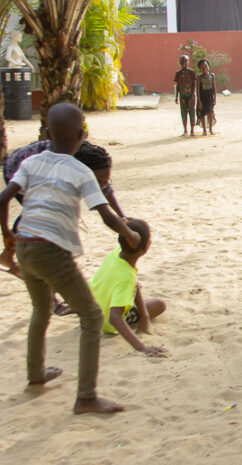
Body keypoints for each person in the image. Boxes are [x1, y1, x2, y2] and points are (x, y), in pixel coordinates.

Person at [0, 103, 140, 414]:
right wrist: (130, 235)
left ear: (47, 132)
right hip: (52, 253)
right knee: (91, 317)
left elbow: (4, 197)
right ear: (82, 134)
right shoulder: (80, 170)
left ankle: (36, 374)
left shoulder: (33, 162)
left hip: (25, 246)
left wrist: (7, 236)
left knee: (40, 311)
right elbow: (104, 213)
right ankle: (86, 397)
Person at [1, 140, 126, 314]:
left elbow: (104, 189)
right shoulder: (61, 168)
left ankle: (7, 256)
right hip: (16, 169)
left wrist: (122, 216)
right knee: (43, 228)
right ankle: (52, 301)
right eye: (99, 181)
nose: (102, 185)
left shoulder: (91, 161)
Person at [89, 218, 167, 357]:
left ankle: (143, 316)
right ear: (147, 246)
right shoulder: (126, 277)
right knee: (159, 304)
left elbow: (134, 285)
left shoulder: (116, 254)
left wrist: (144, 316)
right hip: (106, 323)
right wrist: (141, 347)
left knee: (136, 288)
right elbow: (115, 318)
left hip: (91, 312)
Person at [173, 54, 197, 137]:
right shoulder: (178, 73)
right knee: (183, 113)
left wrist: (193, 96)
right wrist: (176, 96)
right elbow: (178, 86)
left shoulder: (191, 72)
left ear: (188, 62)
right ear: (180, 63)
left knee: (191, 112)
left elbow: (194, 85)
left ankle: (192, 130)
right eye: (182, 62)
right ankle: (185, 130)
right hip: (182, 96)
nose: (184, 64)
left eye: (186, 62)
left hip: (191, 95)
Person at [195, 59, 216, 136]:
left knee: (210, 112)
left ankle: (210, 129)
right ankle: (204, 130)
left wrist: (214, 99)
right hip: (202, 96)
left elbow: (214, 87)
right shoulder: (199, 78)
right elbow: (197, 90)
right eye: (202, 67)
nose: (204, 69)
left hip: (210, 96)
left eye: (206, 66)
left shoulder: (212, 76)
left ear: (208, 66)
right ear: (200, 69)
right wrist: (199, 101)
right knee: (203, 114)